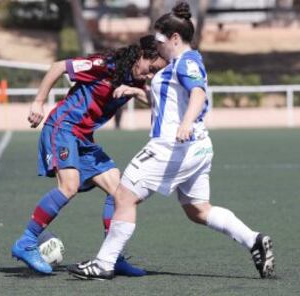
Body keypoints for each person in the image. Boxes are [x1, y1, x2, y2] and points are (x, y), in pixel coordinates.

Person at [68, 2, 275, 280]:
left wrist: (186, 123)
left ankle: (104, 263)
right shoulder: (183, 63)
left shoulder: (186, 61)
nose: (157, 46)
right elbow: (169, 103)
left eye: (159, 40)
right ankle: (254, 240)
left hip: (172, 146)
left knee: (123, 195)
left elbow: (198, 94)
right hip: (198, 147)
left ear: (175, 39)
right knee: (197, 210)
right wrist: (136, 91)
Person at [11, 35, 167, 275]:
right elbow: (59, 67)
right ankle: (27, 241)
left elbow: (154, 102)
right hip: (62, 128)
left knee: (120, 192)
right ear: (141, 56)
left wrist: (136, 92)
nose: (149, 76)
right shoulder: (105, 65)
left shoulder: (134, 80)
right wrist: (38, 102)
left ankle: (110, 257)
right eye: (151, 69)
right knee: (69, 186)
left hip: (83, 139)